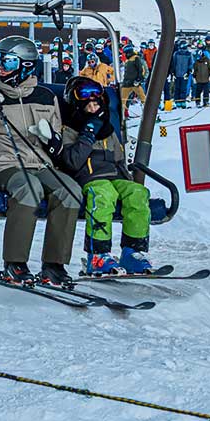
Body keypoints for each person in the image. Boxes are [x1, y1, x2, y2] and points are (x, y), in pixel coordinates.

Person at [0, 36, 81, 286]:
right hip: (2, 167)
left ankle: (54, 265)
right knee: (29, 188)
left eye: (9, 62)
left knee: (71, 191)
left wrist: (52, 140)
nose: (1, 67)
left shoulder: (46, 97)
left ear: (26, 65)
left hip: (40, 164)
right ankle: (15, 263)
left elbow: (56, 139)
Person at [54, 77, 154, 275]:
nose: (92, 108)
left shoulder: (107, 129)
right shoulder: (70, 129)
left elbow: (118, 158)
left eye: (96, 103)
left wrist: (126, 179)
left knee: (138, 193)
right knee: (104, 195)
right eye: (88, 104)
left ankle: (132, 250)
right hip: (88, 177)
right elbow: (72, 161)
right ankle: (98, 254)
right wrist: (88, 133)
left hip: (114, 175)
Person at [119, 43, 148, 119]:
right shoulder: (128, 61)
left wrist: (139, 79)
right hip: (126, 84)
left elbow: (140, 70)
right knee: (122, 100)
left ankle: (149, 114)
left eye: (125, 53)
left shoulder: (136, 58)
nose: (125, 55)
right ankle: (122, 115)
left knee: (143, 98)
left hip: (135, 83)